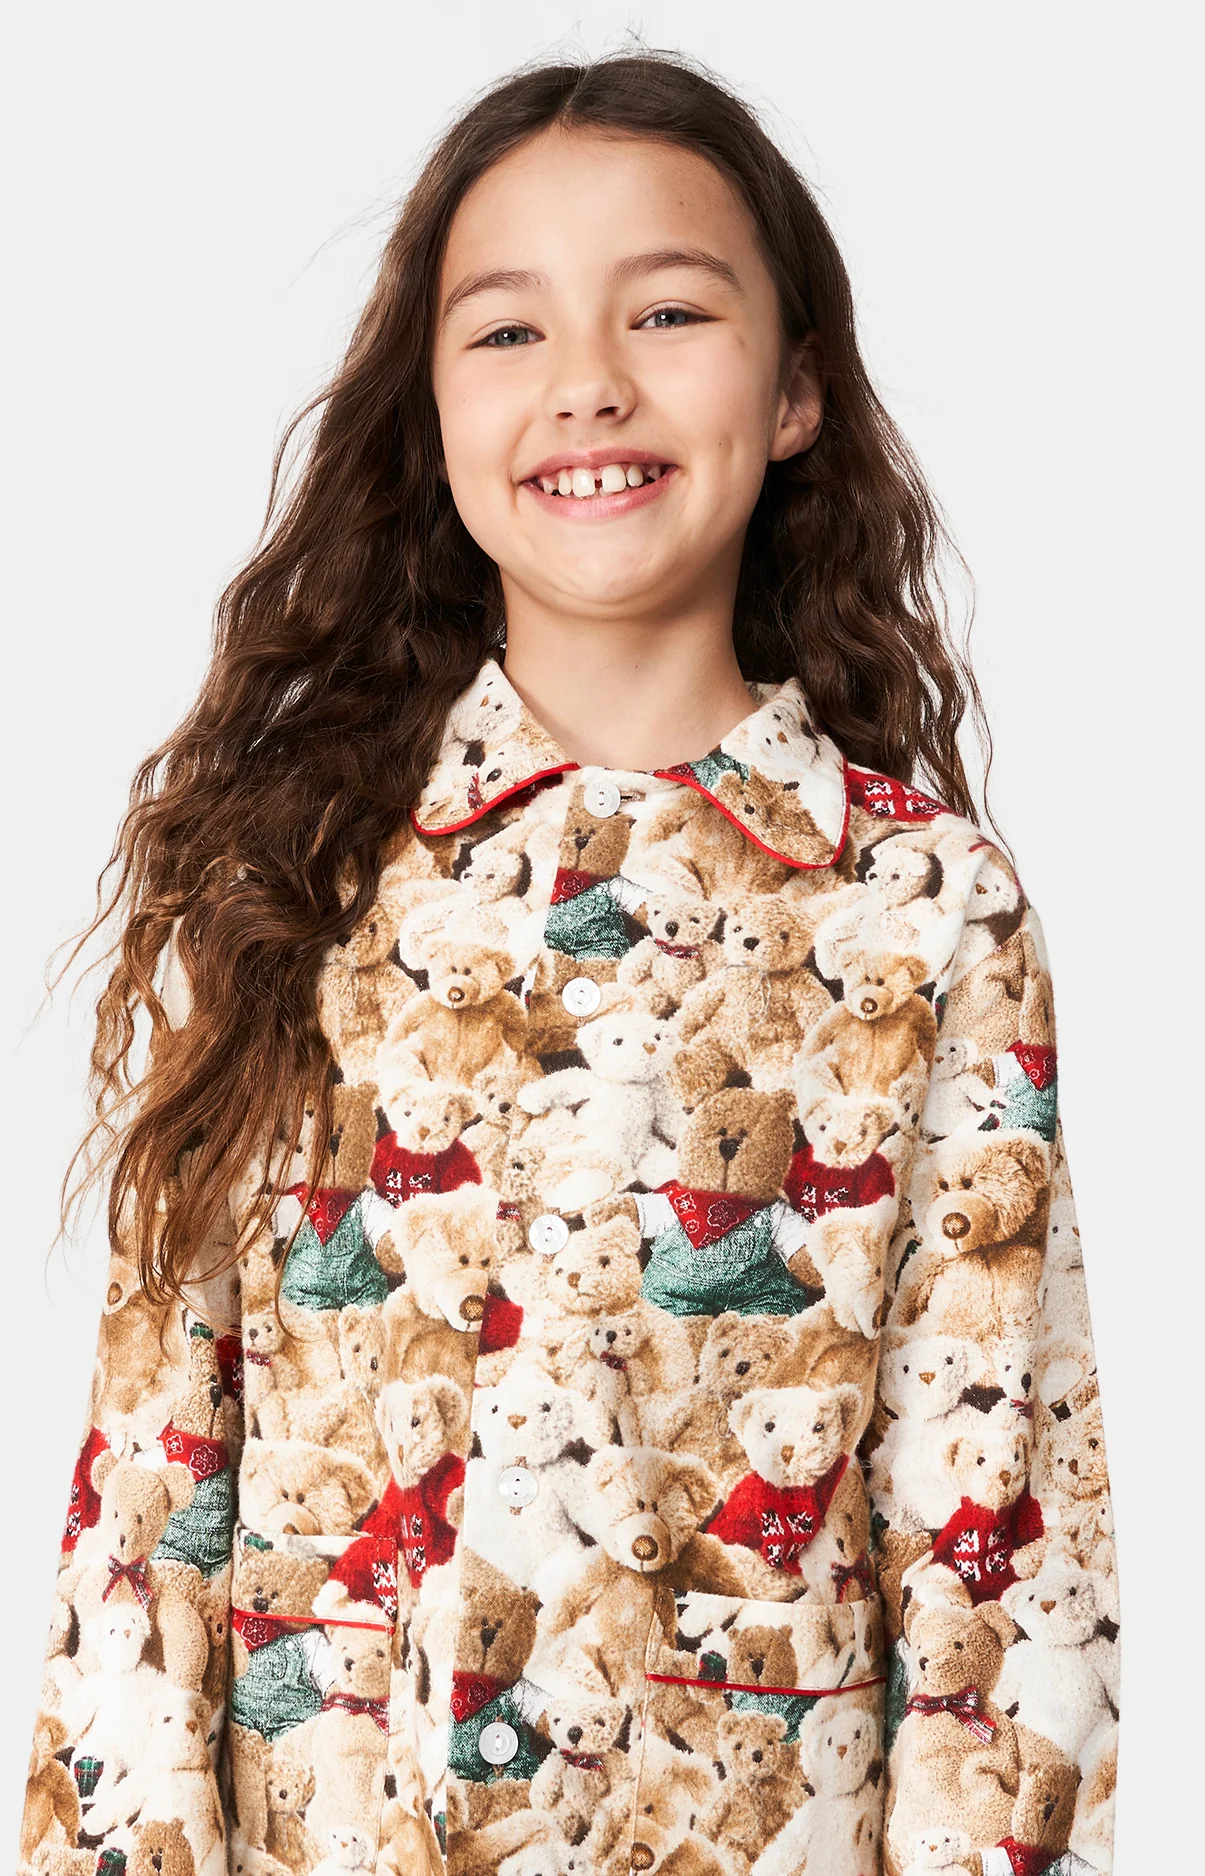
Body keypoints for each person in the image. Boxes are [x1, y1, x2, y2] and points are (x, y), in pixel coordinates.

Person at [18, 47, 1119, 1876]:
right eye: (509, 329)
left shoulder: (929, 906)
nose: (590, 381)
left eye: (669, 311)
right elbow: (149, 1501)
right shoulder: (289, 873)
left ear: (796, 393)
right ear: (432, 409)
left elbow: (995, 1534)